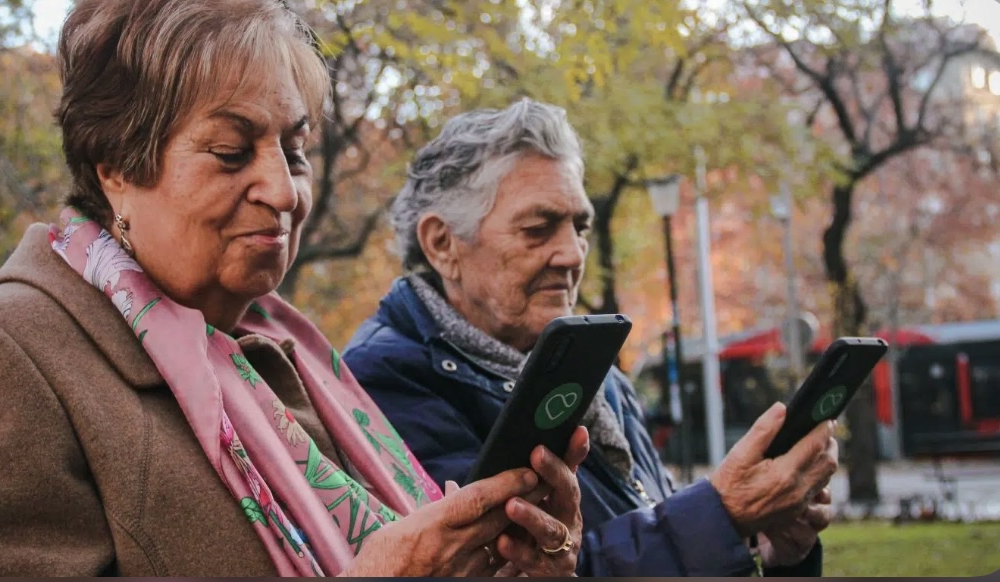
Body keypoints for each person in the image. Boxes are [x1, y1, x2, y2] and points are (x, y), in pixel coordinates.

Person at [0, 2, 587, 576]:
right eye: (231, 151)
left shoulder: (292, 359)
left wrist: (528, 565)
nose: (283, 190)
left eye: (295, 149)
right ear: (114, 163)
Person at [342, 99, 839, 577]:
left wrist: (775, 553)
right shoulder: (384, 381)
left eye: (580, 226)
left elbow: (640, 523)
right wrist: (722, 513)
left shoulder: (591, 372)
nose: (572, 254)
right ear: (442, 244)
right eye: (539, 228)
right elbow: (515, 567)